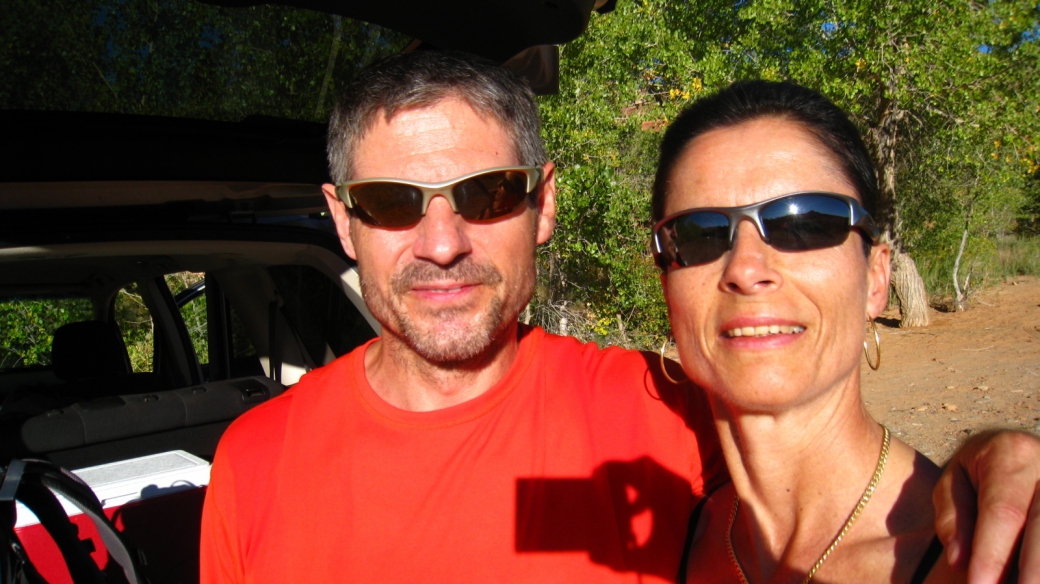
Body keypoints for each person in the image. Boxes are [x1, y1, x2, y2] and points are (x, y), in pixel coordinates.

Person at [200, 51, 1040, 583]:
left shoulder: (669, 414)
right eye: (390, 204)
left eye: (487, 195)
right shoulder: (254, 464)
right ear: (342, 221)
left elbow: (824, 445)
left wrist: (997, 460)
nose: (443, 243)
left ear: (545, 203)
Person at [648, 79, 1021, 583]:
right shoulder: (667, 538)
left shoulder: (979, 558)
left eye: (804, 223)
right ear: (668, 286)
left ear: (875, 279)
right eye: (698, 234)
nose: (746, 267)